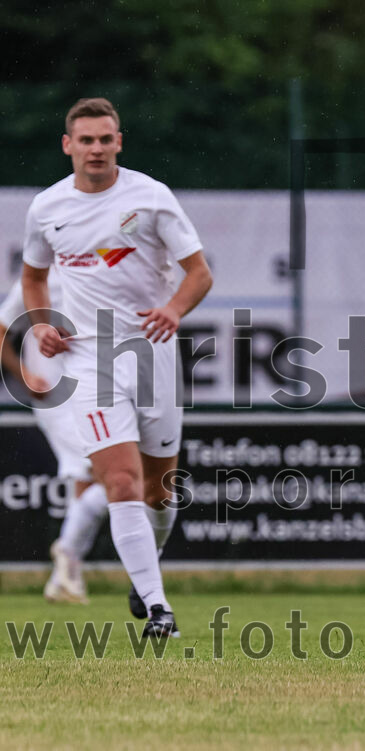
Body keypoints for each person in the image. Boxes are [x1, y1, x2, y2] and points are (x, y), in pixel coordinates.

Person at [21, 97, 213, 638]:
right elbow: (33, 279)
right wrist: (41, 323)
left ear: (119, 142)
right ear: (68, 145)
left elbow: (199, 273)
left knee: (160, 491)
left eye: (106, 139)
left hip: (150, 351)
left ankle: (144, 569)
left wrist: (173, 309)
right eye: (86, 140)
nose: (96, 149)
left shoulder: (151, 198)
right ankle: (159, 609)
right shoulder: (46, 208)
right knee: (121, 481)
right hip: (89, 358)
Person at [0, 276, 109, 604]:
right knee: (106, 472)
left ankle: (64, 575)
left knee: (90, 477)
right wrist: (23, 374)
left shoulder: (100, 274)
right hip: (55, 397)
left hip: (97, 393)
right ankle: (68, 556)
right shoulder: (36, 282)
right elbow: (2, 327)